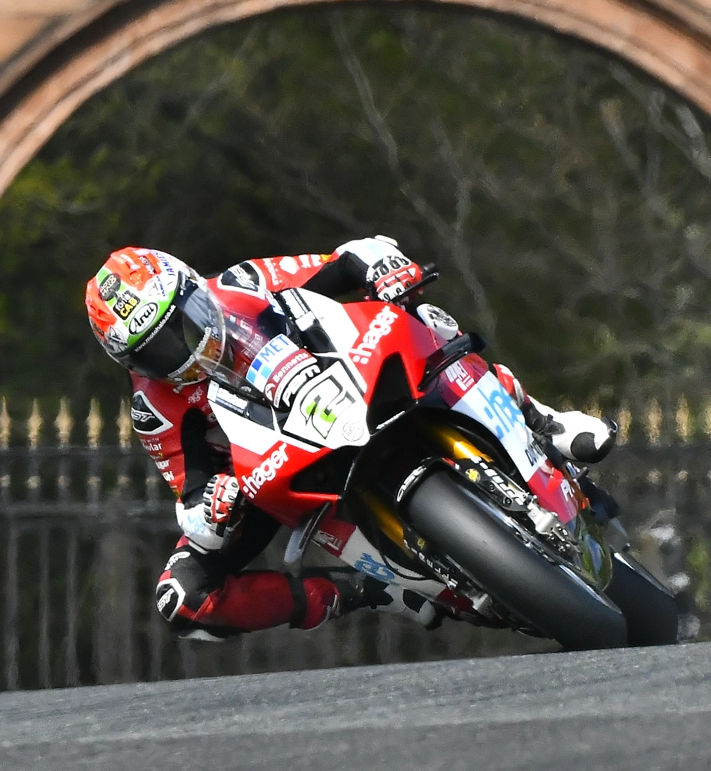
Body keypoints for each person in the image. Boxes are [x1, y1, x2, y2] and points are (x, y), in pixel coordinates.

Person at [83, 239, 619, 639]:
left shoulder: (242, 284)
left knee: (426, 318)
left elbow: (349, 258)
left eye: (184, 321)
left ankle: (541, 420)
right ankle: (363, 590)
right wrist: (215, 507)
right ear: (130, 361)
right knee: (181, 599)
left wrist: (385, 269)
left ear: (195, 288)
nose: (184, 348)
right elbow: (192, 501)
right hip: (269, 467)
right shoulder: (154, 406)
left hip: (342, 381)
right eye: (156, 351)